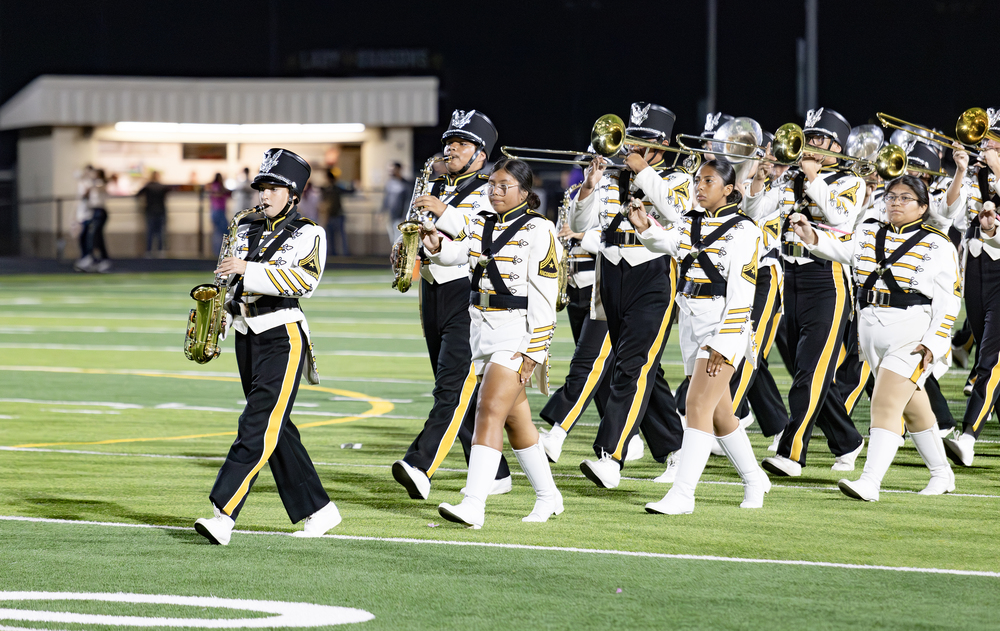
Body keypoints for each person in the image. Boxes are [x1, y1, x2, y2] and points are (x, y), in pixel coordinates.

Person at [194, 148, 340, 545]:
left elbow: (304, 282)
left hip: (282, 335)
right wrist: (222, 314)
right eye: (262, 188)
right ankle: (320, 509)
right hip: (246, 335)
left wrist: (248, 269)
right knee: (278, 429)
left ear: (293, 195)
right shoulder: (244, 227)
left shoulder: (310, 232)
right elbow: (230, 281)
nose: (265, 195)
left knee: (256, 424)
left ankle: (223, 514)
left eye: (274, 188)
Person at [789, 175, 960, 500]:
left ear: (923, 207)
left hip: (912, 334)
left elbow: (949, 302)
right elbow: (840, 249)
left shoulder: (939, 244)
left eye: (905, 198)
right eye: (891, 196)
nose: (896, 203)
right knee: (913, 408)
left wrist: (934, 343)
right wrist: (810, 234)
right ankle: (942, 473)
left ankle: (870, 481)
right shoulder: (869, 231)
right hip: (870, 333)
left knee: (884, 402)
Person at [423, 158, 562, 528]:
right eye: (493, 185)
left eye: (505, 186)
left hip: (517, 332)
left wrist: (536, 349)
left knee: (487, 409)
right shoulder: (482, 221)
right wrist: (436, 247)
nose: (496, 192)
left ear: (525, 191)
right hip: (481, 330)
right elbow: (459, 254)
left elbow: (546, 295)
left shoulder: (540, 228)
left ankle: (474, 504)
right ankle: (549, 496)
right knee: (517, 422)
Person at [629, 159, 770, 513]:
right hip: (692, 321)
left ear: (729, 189)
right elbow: (669, 242)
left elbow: (743, 293)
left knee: (696, 406)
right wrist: (645, 227)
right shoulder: (691, 221)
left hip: (723, 326)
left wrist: (725, 343)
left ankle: (683, 494)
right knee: (721, 415)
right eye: (697, 181)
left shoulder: (746, 230)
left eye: (709, 181)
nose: (700, 187)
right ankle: (754, 480)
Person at [391, 110, 513, 500]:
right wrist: (406, 247)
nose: (451, 149)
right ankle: (496, 473)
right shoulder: (434, 185)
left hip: (469, 292)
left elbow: (481, 237)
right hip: (432, 292)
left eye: (461, 143)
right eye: (449, 142)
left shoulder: (491, 189)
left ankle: (420, 464)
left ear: (481, 153)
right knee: (460, 391)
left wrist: (442, 215)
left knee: (451, 388)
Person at [569, 102, 691, 489]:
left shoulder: (679, 177)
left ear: (663, 145)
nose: (632, 148)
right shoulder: (612, 176)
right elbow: (579, 224)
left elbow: (676, 211)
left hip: (653, 273)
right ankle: (676, 447)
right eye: (631, 140)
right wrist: (589, 186)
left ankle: (612, 455)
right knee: (637, 366)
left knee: (632, 366)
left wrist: (644, 171)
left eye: (643, 142)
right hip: (611, 273)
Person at [746, 108, 866, 477]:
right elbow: (755, 211)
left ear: (836, 147)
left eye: (818, 139)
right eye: (808, 137)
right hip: (789, 279)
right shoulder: (791, 179)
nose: (810, 145)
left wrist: (813, 176)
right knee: (808, 371)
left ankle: (792, 452)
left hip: (827, 280)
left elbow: (840, 218)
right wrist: (761, 176)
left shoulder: (851, 181)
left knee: (810, 373)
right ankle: (847, 440)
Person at [944, 115, 1000, 468]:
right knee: (986, 350)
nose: (986, 145)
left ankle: (967, 437)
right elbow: (950, 212)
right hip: (977, 271)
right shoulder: (978, 175)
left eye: (993, 140)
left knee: (990, 359)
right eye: (986, 140)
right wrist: (962, 171)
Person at [136, 171, 169, 257]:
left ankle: (149, 250)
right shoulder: (162, 187)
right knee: (160, 232)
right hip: (161, 210)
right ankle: (160, 250)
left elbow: (138, 194)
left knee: (150, 232)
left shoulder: (148, 186)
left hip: (150, 210)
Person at [382, 161, 412, 244]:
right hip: (391, 216)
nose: (391, 172)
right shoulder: (389, 183)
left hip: (401, 216)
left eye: (393, 169)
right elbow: (386, 198)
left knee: (398, 238)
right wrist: (382, 211)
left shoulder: (406, 184)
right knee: (392, 238)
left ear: (398, 169)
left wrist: (405, 216)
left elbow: (408, 200)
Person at [324, 170, 349, 256]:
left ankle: (343, 253)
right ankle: (335, 252)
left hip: (336, 215)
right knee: (334, 236)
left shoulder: (332, 189)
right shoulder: (329, 189)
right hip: (333, 215)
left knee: (338, 236)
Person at [207, 173, 230, 254]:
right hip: (218, 211)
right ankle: (219, 252)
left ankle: (218, 252)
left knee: (218, 232)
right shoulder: (217, 186)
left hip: (216, 210)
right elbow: (218, 194)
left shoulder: (213, 186)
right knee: (222, 232)